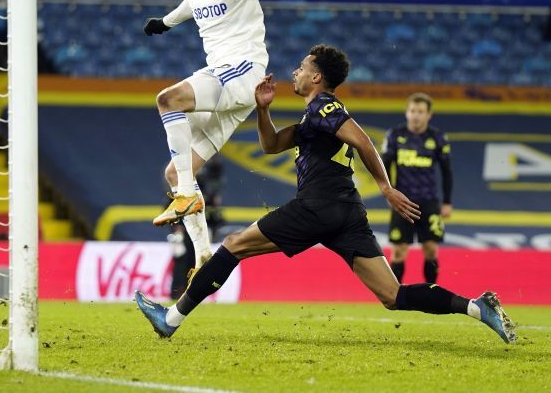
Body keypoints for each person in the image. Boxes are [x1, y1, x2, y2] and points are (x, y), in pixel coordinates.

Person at [135, 45, 516, 344]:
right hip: (346, 212)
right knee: (392, 295)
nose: (295, 73)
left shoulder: (323, 106)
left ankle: (170, 319)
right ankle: (476, 307)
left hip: (318, 206)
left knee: (233, 244)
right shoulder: (311, 118)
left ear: (316, 76)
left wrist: (385, 186)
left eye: (301, 68)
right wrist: (263, 109)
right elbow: (270, 146)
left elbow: (363, 140)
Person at [144, 0, 295, 277]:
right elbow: (191, 4)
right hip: (229, 90)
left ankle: (186, 196)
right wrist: (166, 22)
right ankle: (202, 259)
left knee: (168, 100)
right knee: (175, 172)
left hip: (243, 71)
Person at [381, 93, 453, 283]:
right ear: (407, 113)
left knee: (431, 249)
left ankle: (432, 292)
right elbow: (384, 166)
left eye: (420, 112)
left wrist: (446, 202)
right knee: (398, 251)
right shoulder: (395, 136)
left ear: (429, 115)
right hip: (403, 202)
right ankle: (394, 295)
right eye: (412, 111)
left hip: (429, 201)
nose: (416, 115)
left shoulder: (437, 138)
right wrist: (390, 194)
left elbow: (447, 172)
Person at [169, 156, 226, 298]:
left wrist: (215, 225)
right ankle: (178, 292)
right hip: (187, 229)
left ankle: (190, 292)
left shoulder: (208, 191)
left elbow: (214, 213)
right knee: (184, 260)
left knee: (196, 260)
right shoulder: (189, 188)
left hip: (200, 228)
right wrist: (177, 228)